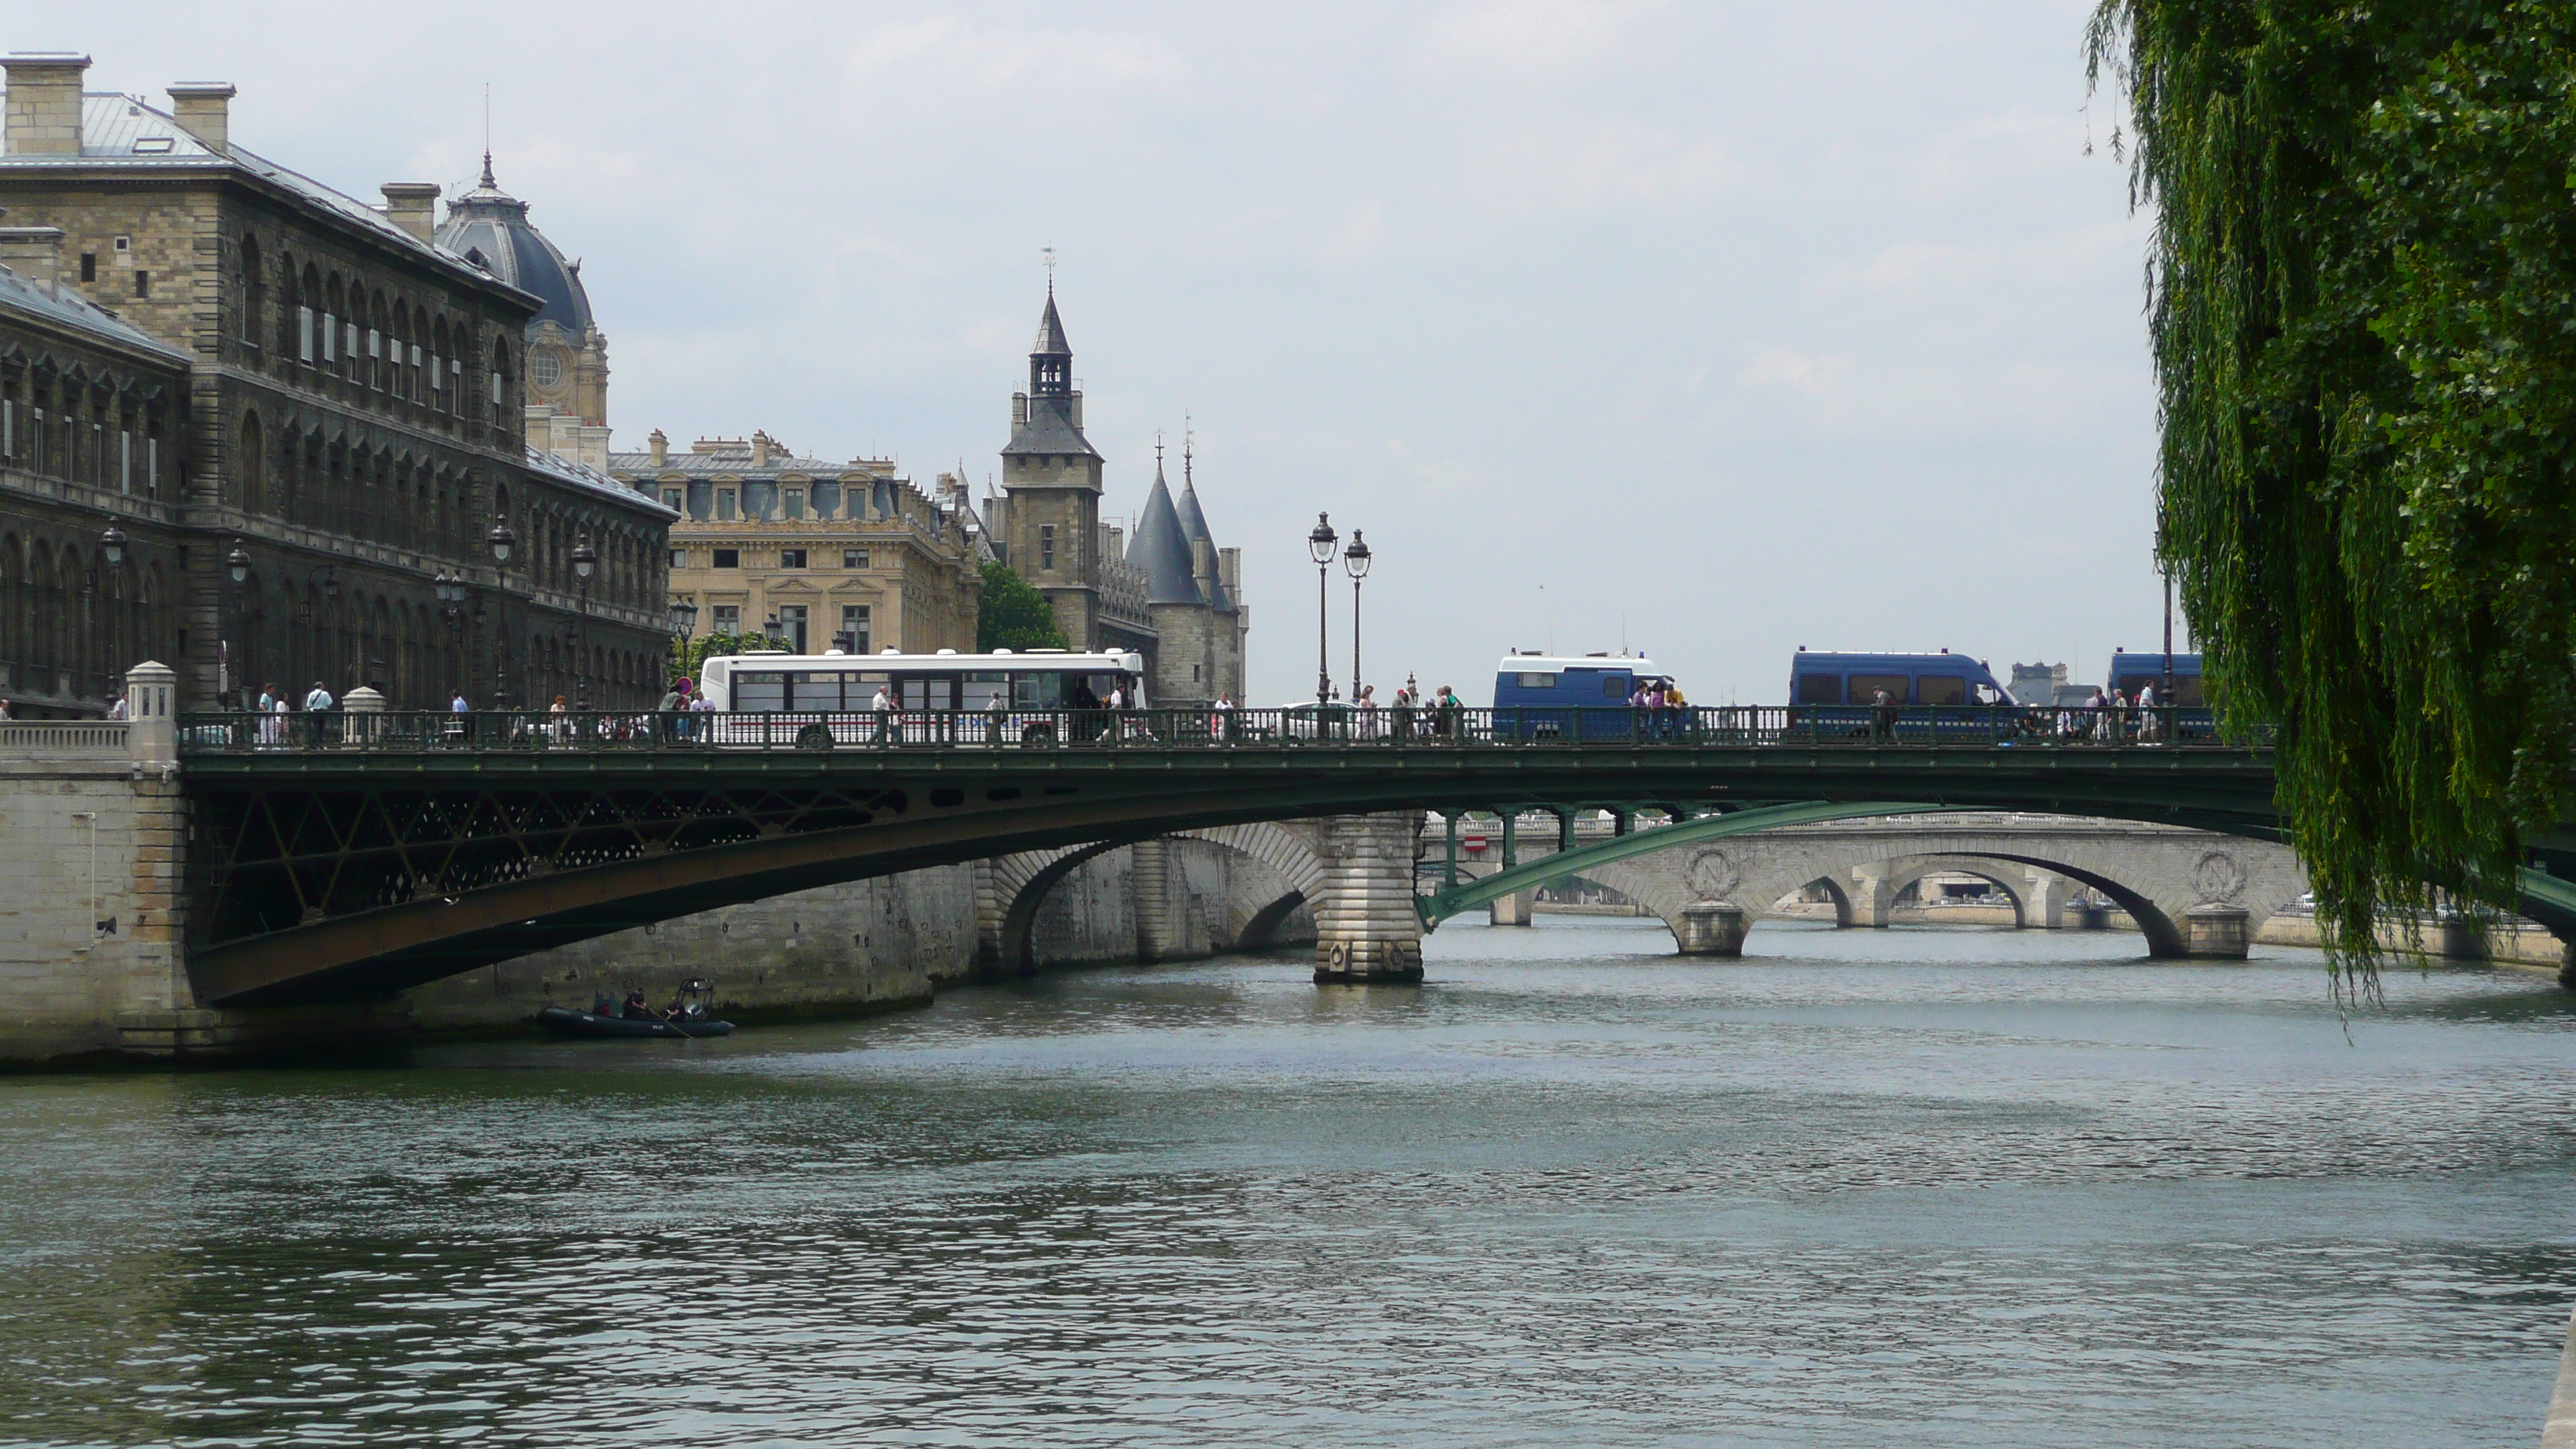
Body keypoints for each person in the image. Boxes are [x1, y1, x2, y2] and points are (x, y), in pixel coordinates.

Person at [303, 680, 334, 747]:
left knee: (315, 726)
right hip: (323, 712)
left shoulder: (311, 694)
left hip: (314, 712)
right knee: (322, 727)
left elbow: (309, 705)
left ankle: (315, 742)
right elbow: (330, 703)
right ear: (321, 686)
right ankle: (320, 741)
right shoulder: (325, 694)